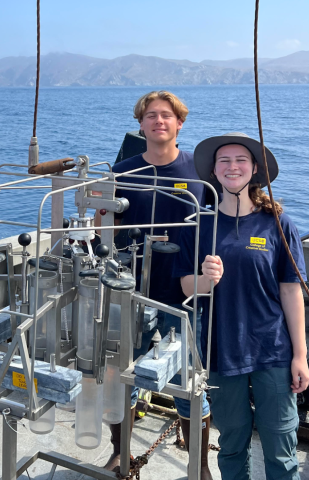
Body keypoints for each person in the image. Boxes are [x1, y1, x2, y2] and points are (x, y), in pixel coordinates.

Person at [176, 132, 309, 480]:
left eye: (241, 160)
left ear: (254, 170)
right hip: (220, 352)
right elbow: (186, 287)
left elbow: (291, 292)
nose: (232, 166)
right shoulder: (199, 224)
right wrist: (206, 279)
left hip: (273, 351)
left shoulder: (279, 224)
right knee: (232, 443)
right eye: (224, 161)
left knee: (281, 448)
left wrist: (300, 355)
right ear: (214, 171)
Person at [99, 91, 213, 479]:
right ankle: (120, 454)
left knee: (189, 385)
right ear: (141, 124)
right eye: (151, 116)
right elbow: (105, 227)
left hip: (184, 291)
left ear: (180, 123)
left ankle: (199, 465)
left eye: (166, 116)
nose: (158, 121)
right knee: (121, 380)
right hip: (130, 290)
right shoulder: (123, 171)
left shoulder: (200, 170)